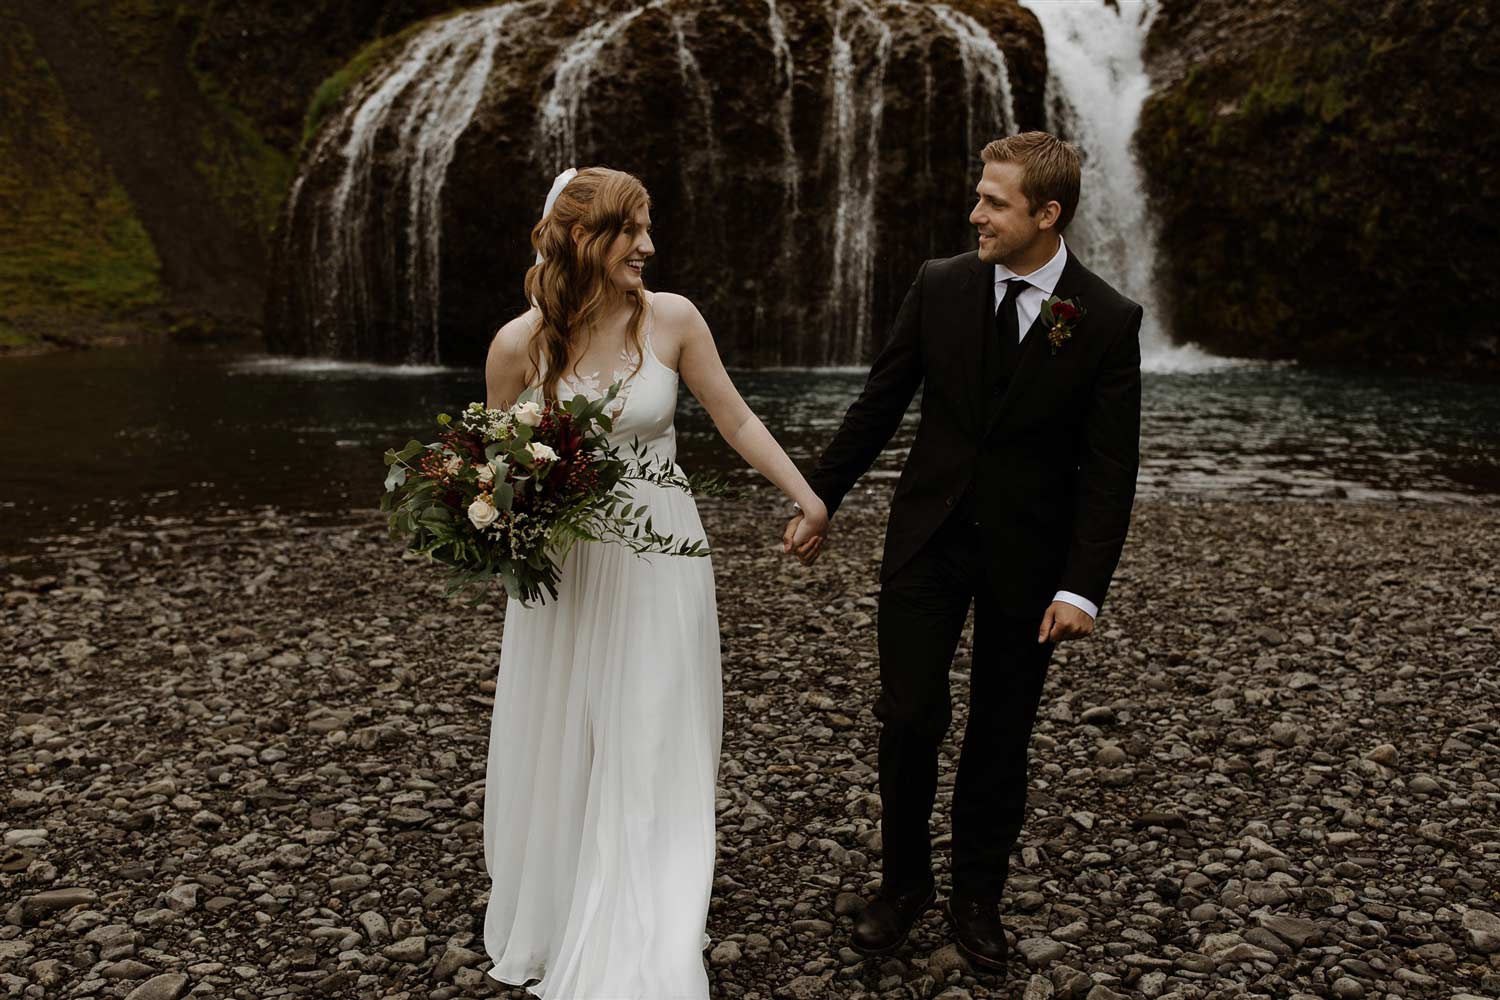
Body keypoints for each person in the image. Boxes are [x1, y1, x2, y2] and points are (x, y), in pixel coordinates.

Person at [784, 131, 1143, 971]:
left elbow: (1110, 471)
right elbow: (882, 400)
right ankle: (902, 884)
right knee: (910, 716)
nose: (974, 212)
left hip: (1029, 558)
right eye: (979, 194)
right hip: (927, 539)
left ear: (1047, 214)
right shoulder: (941, 284)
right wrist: (820, 497)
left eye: (994, 201)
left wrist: (1083, 588)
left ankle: (976, 897)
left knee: (1000, 729)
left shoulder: (1107, 318)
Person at [480, 166, 828, 999]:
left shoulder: (672, 319)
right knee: (568, 725)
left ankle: (653, 912)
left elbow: (735, 416)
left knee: (654, 726)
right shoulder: (516, 345)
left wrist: (806, 493)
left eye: (646, 227)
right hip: (566, 565)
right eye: (630, 230)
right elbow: (491, 470)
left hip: (665, 552)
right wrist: (493, 516)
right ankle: (565, 902)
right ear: (580, 240)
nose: (648, 244)